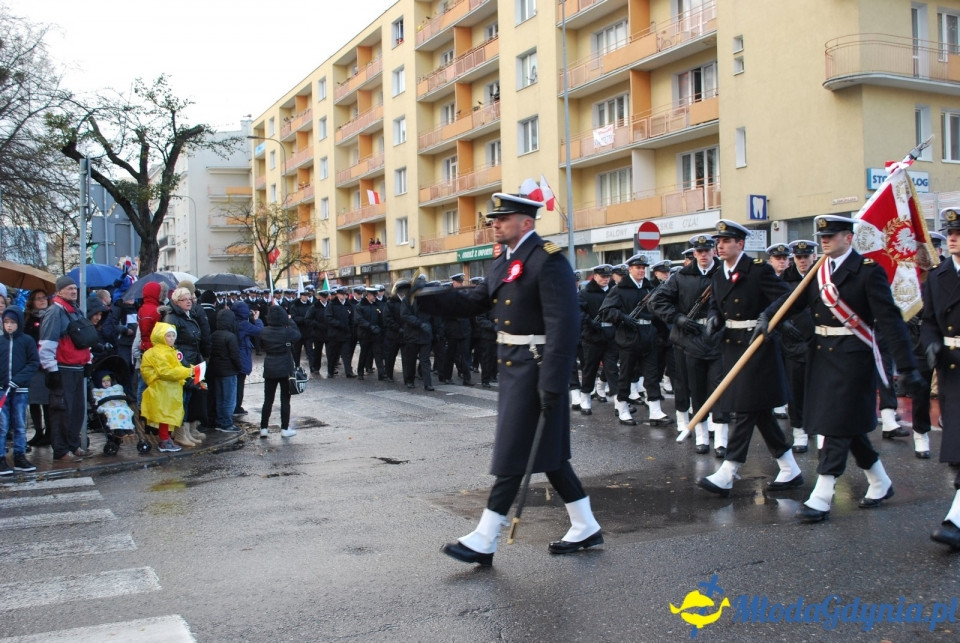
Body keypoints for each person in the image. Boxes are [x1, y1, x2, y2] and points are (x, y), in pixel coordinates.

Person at [415, 191, 602, 566]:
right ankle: (585, 525)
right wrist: (424, 297)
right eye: (494, 220)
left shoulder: (547, 260)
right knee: (548, 455)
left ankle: (485, 538)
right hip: (513, 364)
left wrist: (554, 382)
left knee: (514, 451)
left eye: (502, 219)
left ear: (526, 222)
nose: (495, 224)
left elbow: (564, 326)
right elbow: (475, 300)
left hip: (537, 367)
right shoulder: (505, 260)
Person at [772, 215, 923, 523]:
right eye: (822, 236)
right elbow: (794, 301)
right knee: (847, 425)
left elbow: (890, 320)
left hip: (855, 358)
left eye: (832, 235)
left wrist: (907, 366)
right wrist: (768, 317)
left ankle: (822, 495)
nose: (825, 240)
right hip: (822, 357)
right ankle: (880, 482)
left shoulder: (867, 271)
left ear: (849, 238)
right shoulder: (819, 270)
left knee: (836, 425)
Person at [697, 220, 801, 497]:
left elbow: (788, 297)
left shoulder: (757, 270)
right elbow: (715, 304)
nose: (719, 246)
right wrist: (713, 316)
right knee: (759, 411)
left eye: (726, 241)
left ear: (740, 244)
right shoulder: (719, 274)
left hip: (757, 347)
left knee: (745, 408)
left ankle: (728, 471)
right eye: (718, 241)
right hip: (732, 347)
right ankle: (789, 467)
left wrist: (768, 315)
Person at [650, 234, 728, 456]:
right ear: (694, 253)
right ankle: (701, 437)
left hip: (717, 338)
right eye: (699, 252)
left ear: (714, 251)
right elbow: (657, 301)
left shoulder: (724, 273)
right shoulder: (681, 276)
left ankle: (721, 440)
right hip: (690, 339)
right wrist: (677, 318)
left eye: (707, 251)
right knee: (696, 389)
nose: (703, 255)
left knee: (719, 389)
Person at [920, 209, 960, 548]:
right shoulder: (938, 275)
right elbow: (929, 320)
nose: (953, 238)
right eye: (950, 232)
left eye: (959, 233)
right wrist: (931, 343)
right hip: (952, 367)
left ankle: (955, 520)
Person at [38, 275, 92, 462]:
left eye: (75, 288)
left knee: (76, 410)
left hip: (77, 367)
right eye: (69, 288)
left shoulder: (75, 311)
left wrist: (88, 361)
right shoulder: (55, 312)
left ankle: (73, 445)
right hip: (63, 368)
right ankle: (61, 450)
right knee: (62, 411)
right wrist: (51, 369)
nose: (73, 291)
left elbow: (84, 339)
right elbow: (47, 343)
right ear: (59, 291)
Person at [780, 239, 818, 453]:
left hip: (820, 342)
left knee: (820, 389)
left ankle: (820, 431)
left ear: (814, 256)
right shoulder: (784, 279)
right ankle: (799, 432)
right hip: (793, 343)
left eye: (806, 256)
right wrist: (783, 324)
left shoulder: (822, 275)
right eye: (798, 257)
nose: (802, 261)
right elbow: (775, 306)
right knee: (796, 390)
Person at [163, 287, 208, 447]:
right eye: (184, 299)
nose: (189, 301)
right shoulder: (172, 318)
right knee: (183, 398)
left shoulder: (189, 315)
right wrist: (183, 363)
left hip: (194, 360)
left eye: (190, 298)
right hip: (183, 363)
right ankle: (180, 432)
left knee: (192, 397)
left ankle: (189, 429)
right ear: (176, 301)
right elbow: (172, 343)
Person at [141, 323, 193, 453]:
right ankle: (164, 440)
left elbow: (175, 368)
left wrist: (190, 370)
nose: (172, 338)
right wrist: (188, 372)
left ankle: (166, 438)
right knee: (164, 414)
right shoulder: (159, 352)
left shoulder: (170, 350)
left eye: (173, 336)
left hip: (169, 388)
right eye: (168, 336)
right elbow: (166, 372)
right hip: (163, 389)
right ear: (160, 336)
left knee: (168, 414)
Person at [0, 306, 39, 474]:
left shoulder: (27, 341)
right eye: (6, 322)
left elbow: (33, 363)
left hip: (20, 390)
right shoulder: (0, 341)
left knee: (20, 425)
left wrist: (17, 380)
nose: (9, 325)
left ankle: (19, 457)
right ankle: (1, 458)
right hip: (2, 390)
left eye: (13, 322)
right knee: (2, 425)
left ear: (19, 323)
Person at [576, 265, 619, 417]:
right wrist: (589, 322)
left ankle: (619, 402)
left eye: (608, 276)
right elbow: (578, 311)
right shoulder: (585, 293)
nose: (605, 279)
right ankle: (585, 398)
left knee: (612, 370)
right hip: (592, 337)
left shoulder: (614, 291)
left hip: (610, 336)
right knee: (590, 369)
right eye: (602, 276)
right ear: (595, 277)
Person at [259, 305, 300, 439]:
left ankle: (264, 428)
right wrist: (290, 320)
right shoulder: (287, 331)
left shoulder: (264, 331)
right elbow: (298, 335)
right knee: (285, 400)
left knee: (268, 399)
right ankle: (284, 428)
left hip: (270, 366)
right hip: (285, 366)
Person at [23, 289, 51, 447]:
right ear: (32, 302)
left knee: (47, 401)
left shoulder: (51, 316)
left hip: (47, 364)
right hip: (33, 364)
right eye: (38, 298)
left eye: (44, 297)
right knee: (33, 400)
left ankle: (49, 433)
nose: (42, 300)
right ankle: (38, 431)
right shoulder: (27, 318)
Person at [209, 307, 242, 433]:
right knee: (229, 399)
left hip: (216, 370)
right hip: (229, 371)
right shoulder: (231, 336)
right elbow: (235, 355)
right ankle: (226, 422)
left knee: (220, 397)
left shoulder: (214, 334)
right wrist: (239, 367)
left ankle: (220, 420)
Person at [231, 301, 262, 417]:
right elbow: (259, 330)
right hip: (242, 356)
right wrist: (257, 319)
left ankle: (234, 406)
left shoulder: (232, 321)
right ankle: (237, 407)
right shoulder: (243, 324)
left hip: (234, 356)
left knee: (235, 383)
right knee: (240, 383)